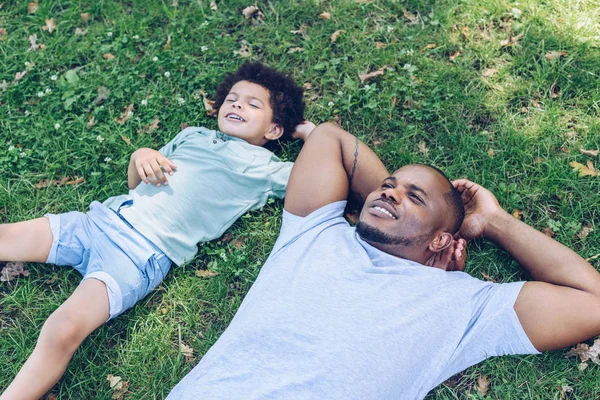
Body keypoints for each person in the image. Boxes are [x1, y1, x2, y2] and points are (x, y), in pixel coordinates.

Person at [168, 122, 600, 400]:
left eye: (414, 196)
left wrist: (494, 222)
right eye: (389, 185)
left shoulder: (464, 304)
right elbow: (329, 138)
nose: (388, 191)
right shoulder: (314, 234)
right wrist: (402, 210)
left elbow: (592, 300)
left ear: (442, 240)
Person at [0, 61, 311, 400]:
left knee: (63, 329)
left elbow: (315, 179)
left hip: (136, 257)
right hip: (96, 222)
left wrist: (311, 137)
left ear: (274, 130)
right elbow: (139, 182)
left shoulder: (266, 169)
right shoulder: (193, 135)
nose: (237, 105)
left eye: (253, 104)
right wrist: (140, 156)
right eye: (232, 99)